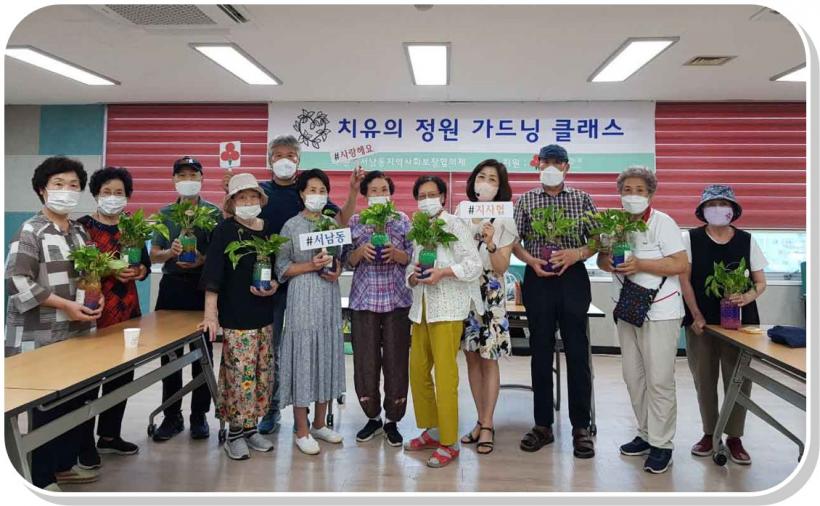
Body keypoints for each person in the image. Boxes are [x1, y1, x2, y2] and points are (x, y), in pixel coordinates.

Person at [221, 135, 359, 435]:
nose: (285, 160)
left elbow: (340, 224)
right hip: (266, 281)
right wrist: (228, 193)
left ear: (298, 160)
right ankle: (271, 410)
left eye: (291, 155)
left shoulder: (313, 196)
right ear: (270, 159)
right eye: (279, 155)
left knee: (313, 348)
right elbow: (235, 220)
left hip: (311, 288)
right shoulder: (260, 193)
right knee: (270, 350)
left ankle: (311, 418)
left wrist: (352, 193)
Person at [5, 156, 103, 490]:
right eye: (58, 184)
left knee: (73, 404)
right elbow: (16, 281)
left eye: (74, 185)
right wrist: (64, 305)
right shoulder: (30, 231)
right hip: (41, 336)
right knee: (47, 409)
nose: (67, 191)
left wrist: (98, 297)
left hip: (77, 333)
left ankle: (64, 466)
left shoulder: (79, 232)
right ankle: (41, 478)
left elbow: (91, 274)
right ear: (41, 190)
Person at [597, 166, 688, 474]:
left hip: (660, 311)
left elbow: (679, 263)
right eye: (627, 190)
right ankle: (646, 434)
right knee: (633, 376)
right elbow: (601, 259)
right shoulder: (614, 224)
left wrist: (640, 264)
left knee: (659, 379)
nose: (632, 195)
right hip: (627, 309)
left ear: (650, 194)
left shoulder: (663, 223)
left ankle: (663, 444)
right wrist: (610, 262)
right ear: (619, 193)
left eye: (639, 190)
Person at [512, 144, 597, 459]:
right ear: (538, 166)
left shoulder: (582, 199)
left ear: (566, 167)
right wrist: (530, 260)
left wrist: (577, 253)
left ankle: (581, 427)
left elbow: (597, 239)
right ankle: (542, 425)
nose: (550, 167)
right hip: (538, 278)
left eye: (557, 162)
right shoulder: (526, 200)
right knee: (540, 352)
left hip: (573, 278)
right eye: (545, 162)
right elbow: (513, 241)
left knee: (577, 353)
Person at [680, 184, 767, 465]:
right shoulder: (690, 238)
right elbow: (684, 280)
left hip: (740, 324)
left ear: (733, 210)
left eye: (723, 204)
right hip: (702, 322)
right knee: (704, 378)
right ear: (702, 210)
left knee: (738, 380)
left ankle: (734, 437)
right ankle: (710, 433)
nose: (717, 209)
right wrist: (695, 315)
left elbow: (760, 282)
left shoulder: (747, 240)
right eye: (712, 204)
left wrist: (747, 296)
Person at [403, 175, 482, 468]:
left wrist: (443, 272)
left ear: (443, 197)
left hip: (447, 308)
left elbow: (473, 265)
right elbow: (411, 265)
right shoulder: (418, 229)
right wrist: (412, 277)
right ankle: (433, 429)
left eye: (431, 195)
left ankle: (449, 441)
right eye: (421, 196)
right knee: (418, 370)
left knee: (446, 376)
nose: (426, 200)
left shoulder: (455, 224)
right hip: (421, 309)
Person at [200, 173, 278, 460]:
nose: (248, 202)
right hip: (236, 315)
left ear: (261, 199)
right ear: (232, 202)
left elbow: (276, 269)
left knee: (261, 373)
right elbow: (213, 276)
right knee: (239, 375)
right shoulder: (225, 231)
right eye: (241, 197)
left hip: (264, 314)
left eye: (252, 196)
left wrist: (274, 285)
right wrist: (210, 315)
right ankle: (234, 431)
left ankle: (250, 428)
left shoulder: (267, 230)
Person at [75, 167, 147, 470]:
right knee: (89, 380)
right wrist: (109, 270)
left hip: (127, 311)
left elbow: (144, 264)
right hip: (94, 311)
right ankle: (83, 444)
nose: (113, 198)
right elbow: (77, 269)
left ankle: (109, 435)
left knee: (122, 377)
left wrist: (140, 271)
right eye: (107, 192)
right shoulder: (82, 227)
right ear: (95, 194)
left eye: (119, 193)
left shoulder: (132, 226)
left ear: (127, 196)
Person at [275, 169, 347, 455]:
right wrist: (310, 266)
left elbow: (339, 259)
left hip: (328, 295)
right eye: (312, 190)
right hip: (302, 296)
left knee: (325, 352)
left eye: (322, 190)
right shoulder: (291, 226)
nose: (317, 195)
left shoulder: (331, 224)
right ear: (302, 193)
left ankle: (319, 423)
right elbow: (282, 268)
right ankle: (301, 429)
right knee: (304, 356)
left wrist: (336, 269)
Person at [149, 156, 221, 442]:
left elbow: (218, 255)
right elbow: (154, 254)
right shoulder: (165, 213)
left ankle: (199, 415)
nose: (188, 180)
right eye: (182, 175)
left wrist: (202, 259)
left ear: (202, 179)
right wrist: (171, 252)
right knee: (170, 356)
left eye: (193, 175)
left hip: (202, 289)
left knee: (202, 353)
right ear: (174, 180)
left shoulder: (213, 213)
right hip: (172, 287)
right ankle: (171, 415)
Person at [345, 170, 413, 446]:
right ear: (365, 195)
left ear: (391, 194)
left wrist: (397, 255)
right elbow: (346, 260)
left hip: (397, 300)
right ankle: (372, 417)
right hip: (364, 300)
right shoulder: (355, 221)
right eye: (373, 190)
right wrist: (360, 252)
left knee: (397, 361)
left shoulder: (402, 220)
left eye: (384, 190)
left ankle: (392, 420)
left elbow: (414, 257)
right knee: (365, 361)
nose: (379, 194)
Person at [459, 160, 517, 455]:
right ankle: (480, 420)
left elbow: (502, 266)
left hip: (491, 292)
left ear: (500, 187)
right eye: (481, 177)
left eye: (492, 179)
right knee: (471, 358)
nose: (485, 183)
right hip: (466, 290)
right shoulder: (462, 212)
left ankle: (488, 424)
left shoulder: (506, 217)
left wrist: (491, 243)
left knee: (489, 358)